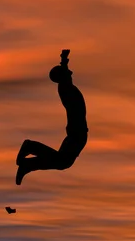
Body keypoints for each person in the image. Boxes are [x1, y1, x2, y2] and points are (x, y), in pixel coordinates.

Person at [16, 50, 88, 185]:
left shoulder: (66, 86)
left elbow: (65, 73)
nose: (70, 72)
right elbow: (65, 75)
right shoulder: (65, 88)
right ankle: (30, 148)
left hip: (76, 132)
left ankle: (29, 162)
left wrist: (64, 59)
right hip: (77, 132)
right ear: (62, 77)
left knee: (61, 161)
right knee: (63, 162)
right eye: (66, 72)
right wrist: (63, 60)